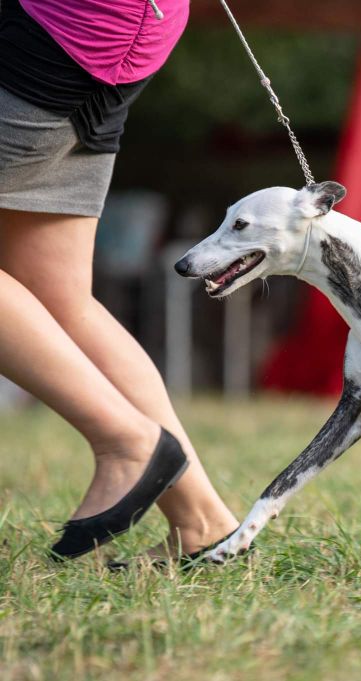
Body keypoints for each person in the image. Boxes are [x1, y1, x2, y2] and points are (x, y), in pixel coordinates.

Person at [0, 0, 238, 561]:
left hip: (56, 33)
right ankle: (200, 520)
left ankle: (124, 440)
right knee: (59, 302)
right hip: (111, 37)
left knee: (61, 301)